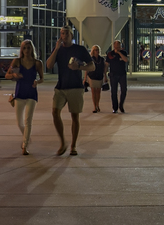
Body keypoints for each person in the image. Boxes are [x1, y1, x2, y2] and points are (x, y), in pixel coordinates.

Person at [45, 26, 92, 156]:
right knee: (55, 112)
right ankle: (63, 142)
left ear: (71, 35)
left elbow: (92, 66)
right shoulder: (58, 49)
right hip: (61, 87)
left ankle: (73, 145)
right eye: (62, 33)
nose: (64, 36)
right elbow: (49, 65)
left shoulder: (80, 49)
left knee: (74, 117)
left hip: (76, 87)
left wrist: (79, 67)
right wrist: (56, 49)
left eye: (66, 33)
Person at [6, 40, 42, 154]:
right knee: (19, 122)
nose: (26, 50)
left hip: (31, 92)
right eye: (24, 48)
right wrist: (14, 74)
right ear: (21, 50)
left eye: (28, 48)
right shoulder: (17, 61)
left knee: (28, 120)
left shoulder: (37, 63)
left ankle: (25, 145)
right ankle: (27, 136)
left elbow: (42, 78)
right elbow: (7, 75)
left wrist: (37, 81)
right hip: (20, 93)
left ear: (32, 49)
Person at [106, 40, 129, 113]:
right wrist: (105, 74)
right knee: (114, 92)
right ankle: (115, 108)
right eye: (116, 47)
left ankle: (121, 104)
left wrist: (119, 53)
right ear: (114, 46)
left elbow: (126, 60)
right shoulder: (110, 54)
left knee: (124, 90)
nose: (117, 48)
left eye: (118, 47)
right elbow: (106, 64)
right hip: (113, 75)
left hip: (122, 74)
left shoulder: (123, 53)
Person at [86, 44, 105, 112]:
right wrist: (85, 78)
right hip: (92, 76)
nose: (97, 51)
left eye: (97, 50)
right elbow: (87, 68)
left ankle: (98, 104)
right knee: (93, 92)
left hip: (99, 76)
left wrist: (105, 77)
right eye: (95, 50)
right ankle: (95, 106)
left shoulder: (102, 59)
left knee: (98, 92)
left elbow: (104, 69)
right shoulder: (90, 59)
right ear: (93, 51)